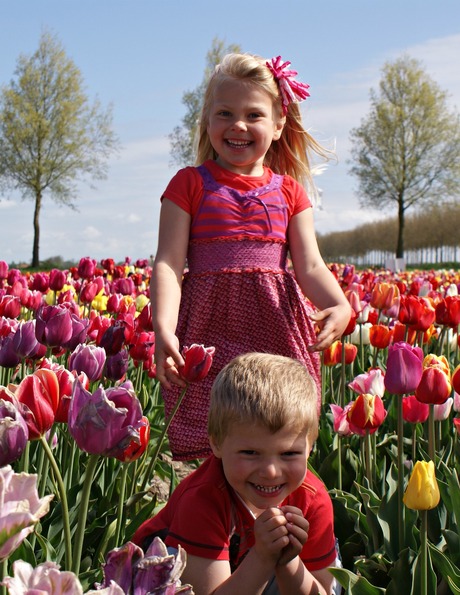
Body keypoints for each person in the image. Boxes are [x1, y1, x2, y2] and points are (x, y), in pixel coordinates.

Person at [151, 52, 351, 460]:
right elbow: (169, 263)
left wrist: (339, 304)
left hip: (275, 322)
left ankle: (272, 510)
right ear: (207, 120)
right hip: (208, 324)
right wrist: (163, 329)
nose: (238, 125)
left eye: (254, 115)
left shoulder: (289, 192)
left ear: (278, 125)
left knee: (277, 420)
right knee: (212, 427)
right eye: (224, 113)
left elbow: (309, 265)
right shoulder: (189, 184)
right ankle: (214, 516)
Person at [133, 353, 340, 595]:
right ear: (217, 444)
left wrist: (287, 560)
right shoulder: (203, 499)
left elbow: (323, 591)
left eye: (289, 454)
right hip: (180, 572)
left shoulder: (312, 500)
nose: (271, 472)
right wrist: (263, 557)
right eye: (251, 452)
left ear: (310, 446)